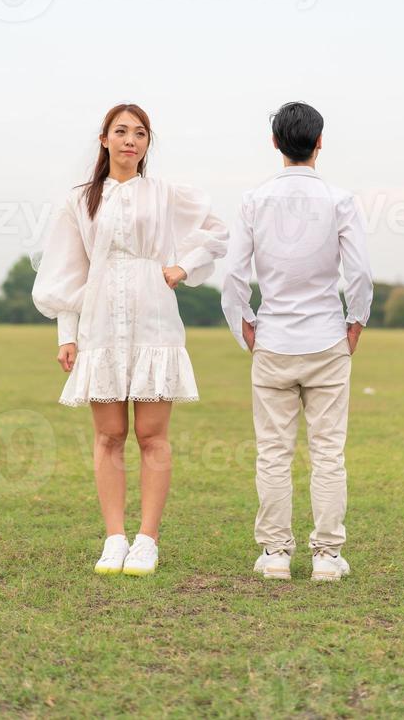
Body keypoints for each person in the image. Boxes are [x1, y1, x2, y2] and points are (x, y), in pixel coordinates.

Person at [31, 102, 229, 577]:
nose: (130, 140)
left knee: (151, 434)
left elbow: (217, 233)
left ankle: (147, 540)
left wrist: (183, 267)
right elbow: (67, 268)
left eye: (140, 134)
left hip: (154, 318)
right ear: (104, 140)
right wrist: (67, 334)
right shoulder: (80, 200)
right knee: (109, 434)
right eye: (121, 132)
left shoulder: (164, 194)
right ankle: (114, 537)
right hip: (99, 321)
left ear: (146, 144)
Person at [221, 101, 373, 582]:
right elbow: (361, 274)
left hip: (274, 339)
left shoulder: (253, 200)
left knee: (273, 452)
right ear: (320, 142)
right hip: (327, 337)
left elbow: (232, 276)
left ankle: (275, 554)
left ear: (275, 144)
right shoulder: (340, 200)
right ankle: (327, 557)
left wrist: (242, 323)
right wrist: (357, 322)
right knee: (328, 451)